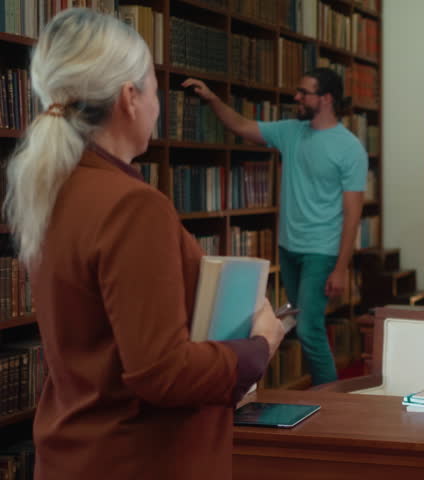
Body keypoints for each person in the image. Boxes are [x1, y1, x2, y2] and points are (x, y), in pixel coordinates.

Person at [2, 9, 285, 479]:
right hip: (141, 457)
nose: (159, 104)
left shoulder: (52, 190)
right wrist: (259, 345)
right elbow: (162, 372)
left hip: (75, 453)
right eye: (154, 87)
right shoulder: (133, 206)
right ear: (130, 98)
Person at [182, 68, 366, 385]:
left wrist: (341, 268)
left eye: (303, 92)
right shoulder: (290, 131)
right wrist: (212, 99)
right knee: (295, 325)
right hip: (289, 246)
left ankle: (333, 402)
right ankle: (317, 394)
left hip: (320, 251)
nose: (296, 97)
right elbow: (240, 125)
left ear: (326, 99)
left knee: (309, 328)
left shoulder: (349, 148)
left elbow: (353, 213)